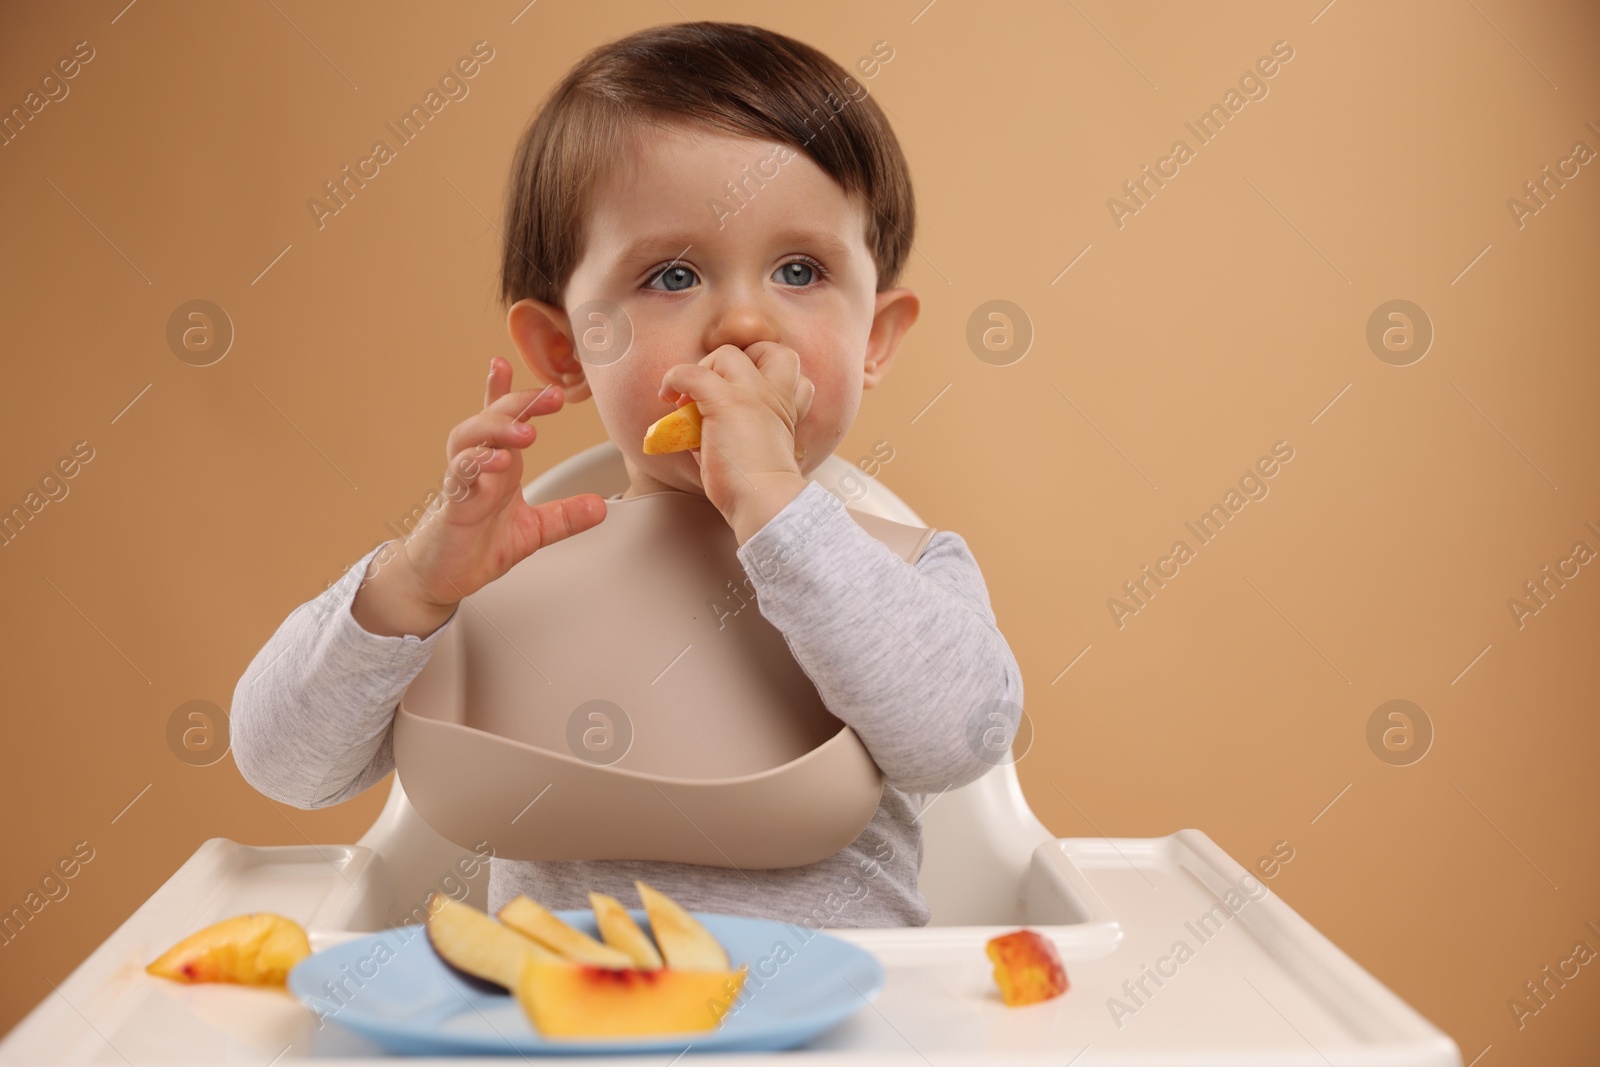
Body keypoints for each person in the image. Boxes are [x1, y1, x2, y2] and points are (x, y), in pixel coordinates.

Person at [231, 21, 1024, 928]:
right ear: (564, 350)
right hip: (567, 1032)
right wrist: (414, 586)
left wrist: (777, 507)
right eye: (673, 275)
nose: (741, 324)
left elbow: (959, 740)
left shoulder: (907, 571)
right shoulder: (499, 576)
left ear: (873, 338)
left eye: (800, 270)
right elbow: (284, 764)